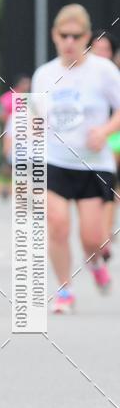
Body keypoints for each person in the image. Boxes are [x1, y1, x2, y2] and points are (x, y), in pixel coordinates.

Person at [31, 5, 120, 313]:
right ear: (54, 35)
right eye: (63, 35)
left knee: (93, 238)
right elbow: (36, 115)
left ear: (88, 37)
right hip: (55, 161)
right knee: (57, 225)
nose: (69, 41)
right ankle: (65, 289)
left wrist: (106, 130)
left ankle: (95, 263)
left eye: (76, 36)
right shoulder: (44, 74)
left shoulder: (104, 71)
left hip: (94, 163)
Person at [91, 29, 120, 261]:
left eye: (106, 49)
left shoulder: (113, 75)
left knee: (110, 187)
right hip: (91, 141)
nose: (101, 53)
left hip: (113, 135)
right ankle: (99, 233)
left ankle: (106, 233)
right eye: (97, 48)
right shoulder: (80, 74)